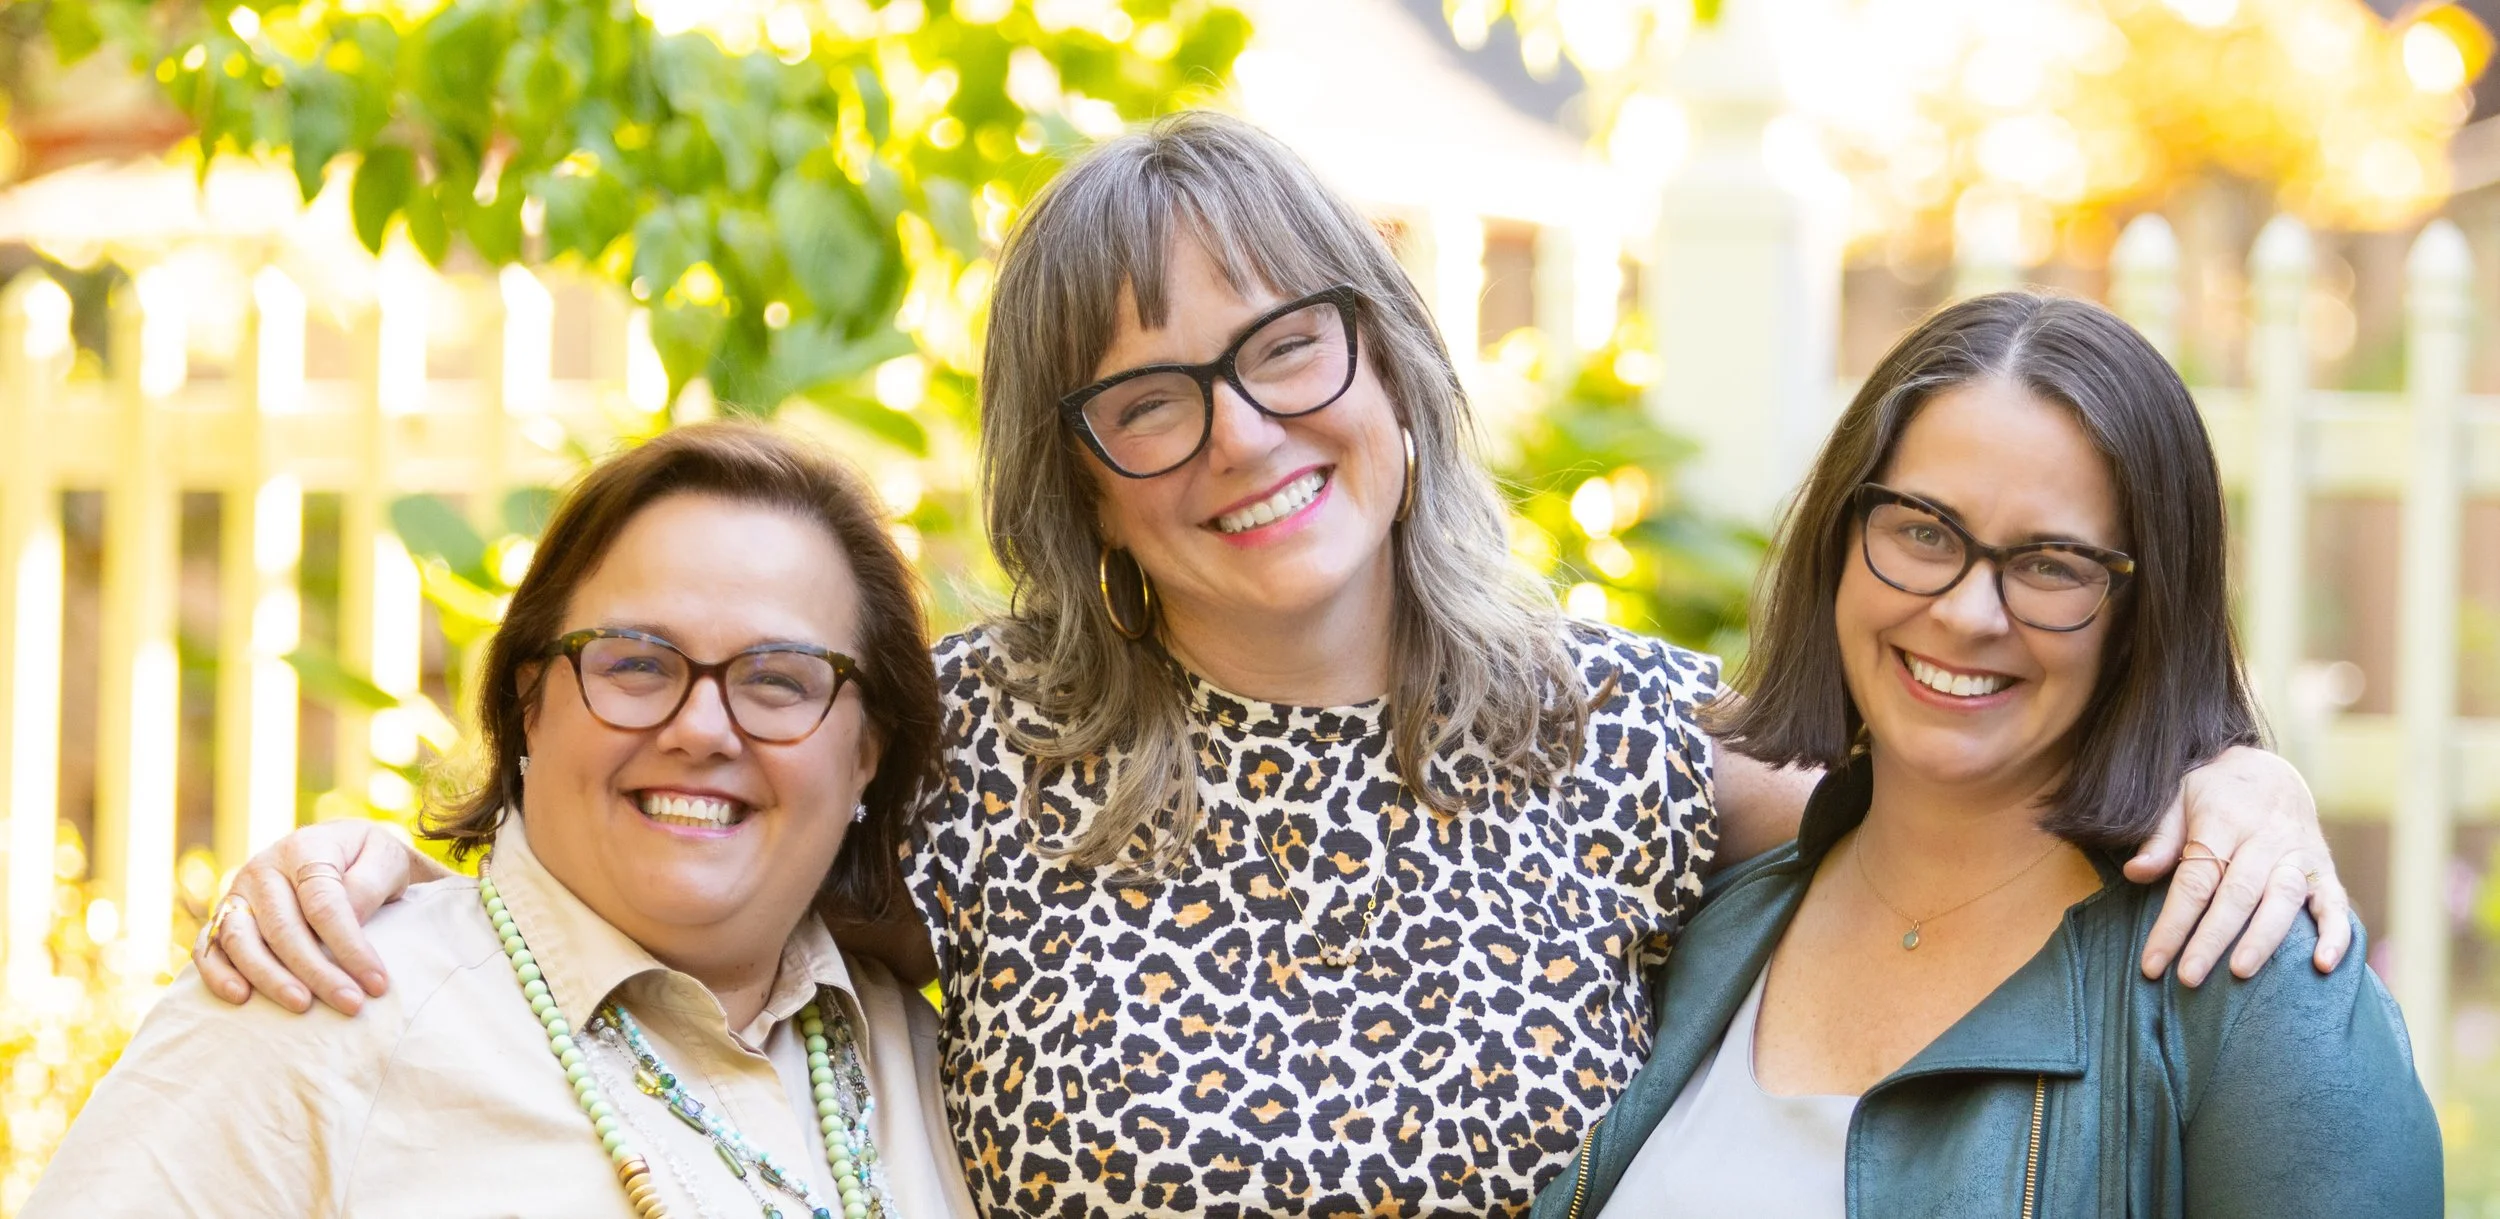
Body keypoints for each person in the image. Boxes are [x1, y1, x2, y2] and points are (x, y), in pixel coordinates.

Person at [195, 115, 2348, 1216]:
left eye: (1280, 348)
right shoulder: (969, 749)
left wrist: (2229, 775)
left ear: (1386, 369)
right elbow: (668, 811)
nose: (1238, 435)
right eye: (1147, 400)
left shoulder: (1618, 733)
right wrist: (365, 865)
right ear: (1082, 479)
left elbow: (1962, 784)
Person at [1534, 293, 2441, 1218]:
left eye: (2052, 563)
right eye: (1923, 530)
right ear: (1841, 541)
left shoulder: (2247, 983)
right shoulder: (1714, 923)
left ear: (2143, 615)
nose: (1970, 613)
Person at [28, 425, 978, 1218]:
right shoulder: (317, 1014)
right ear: (530, 700)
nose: (699, 728)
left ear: (868, 750)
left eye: (778, 680)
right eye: (636, 663)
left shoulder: (948, 1069)